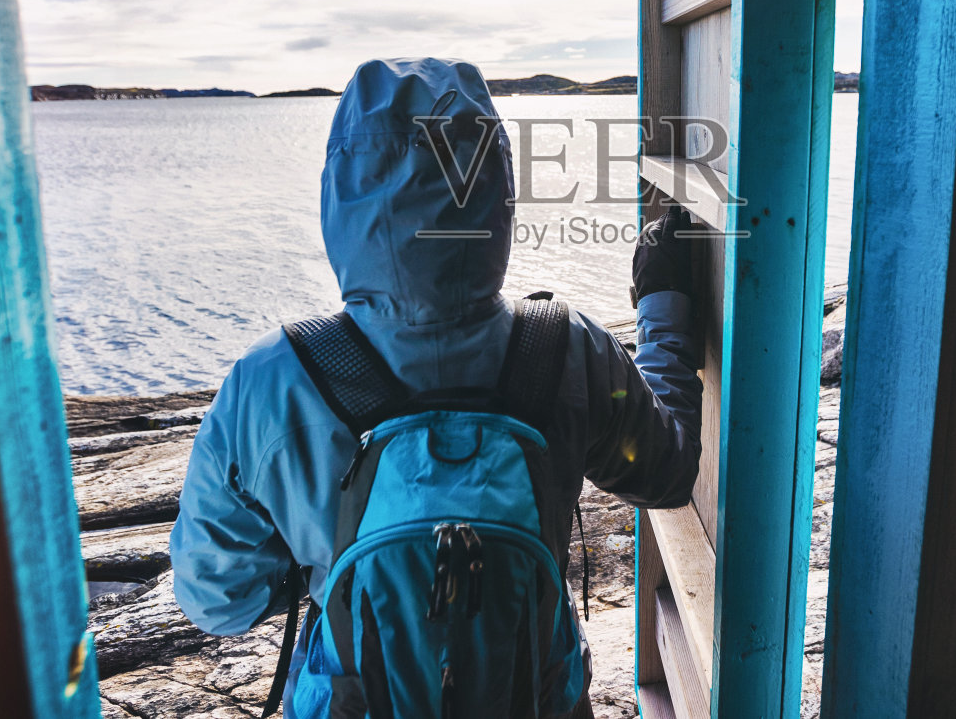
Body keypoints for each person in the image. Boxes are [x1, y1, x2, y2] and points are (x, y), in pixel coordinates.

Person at [170, 57, 702, 718]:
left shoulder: (271, 381)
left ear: (340, 193)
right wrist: (662, 303)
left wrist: (328, 563)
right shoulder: (567, 349)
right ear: (498, 188)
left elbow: (216, 601)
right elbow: (666, 473)